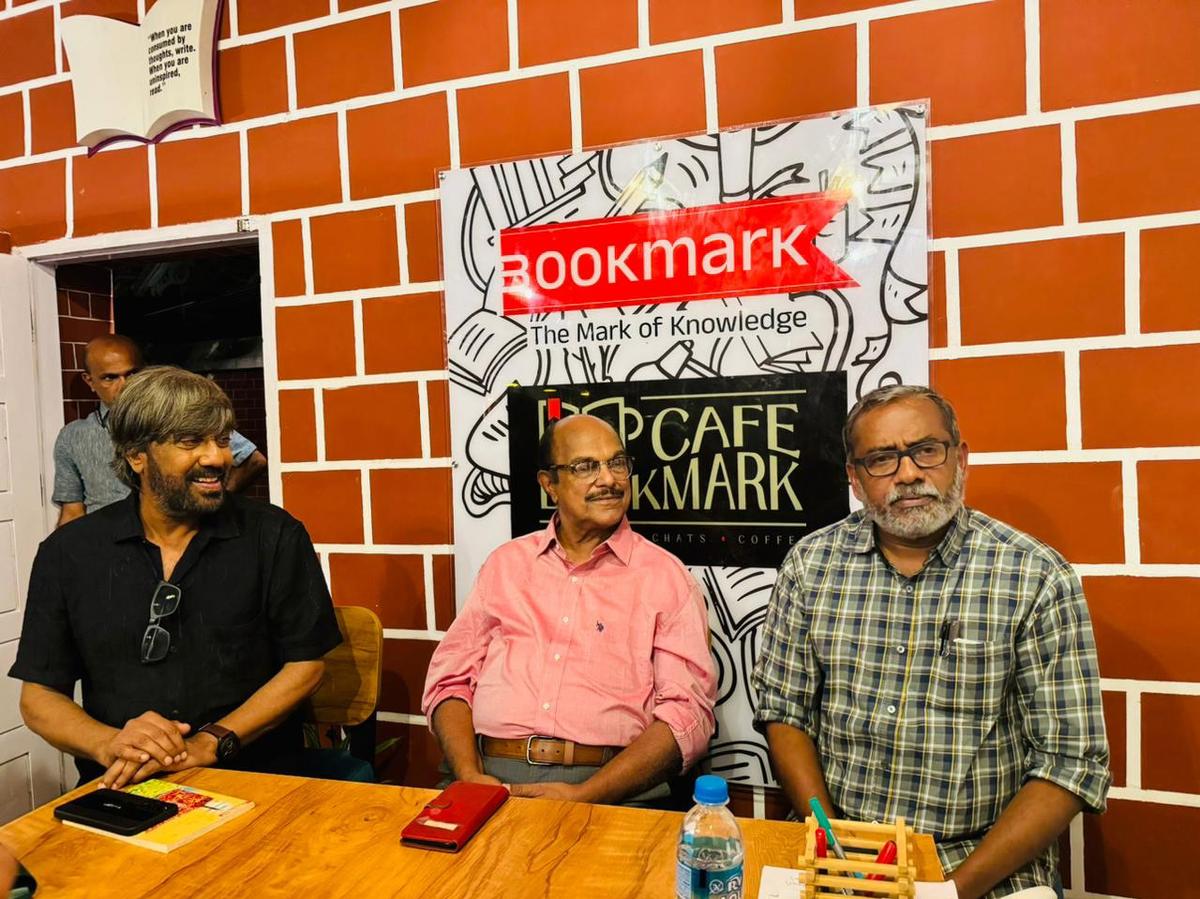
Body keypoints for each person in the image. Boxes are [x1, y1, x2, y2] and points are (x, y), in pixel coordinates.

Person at [752, 385, 1109, 899]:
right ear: (854, 479)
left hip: (979, 862)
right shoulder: (812, 565)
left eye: (926, 450)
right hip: (834, 845)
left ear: (959, 458)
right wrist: (830, 843)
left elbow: (1071, 763)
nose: (909, 473)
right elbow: (785, 710)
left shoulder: (1035, 575)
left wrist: (950, 892)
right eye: (881, 459)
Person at [11, 366, 346, 788]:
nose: (217, 458)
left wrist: (211, 743)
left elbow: (306, 666)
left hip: (255, 782)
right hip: (124, 787)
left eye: (221, 440)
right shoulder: (68, 553)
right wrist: (111, 744)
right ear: (137, 456)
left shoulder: (274, 536)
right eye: (191, 442)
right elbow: (39, 697)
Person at [421, 413, 717, 806]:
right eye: (585, 467)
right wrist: (471, 776)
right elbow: (449, 682)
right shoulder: (506, 566)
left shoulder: (665, 577)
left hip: (612, 789)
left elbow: (686, 716)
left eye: (617, 463)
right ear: (549, 485)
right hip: (487, 775)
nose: (609, 479)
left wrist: (585, 794)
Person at [53, 334, 268, 528]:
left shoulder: (179, 416)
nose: (125, 384)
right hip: (106, 551)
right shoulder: (73, 437)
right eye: (110, 377)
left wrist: (209, 502)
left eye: (133, 373)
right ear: (89, 381)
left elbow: (253, 460)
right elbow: (72, 512)